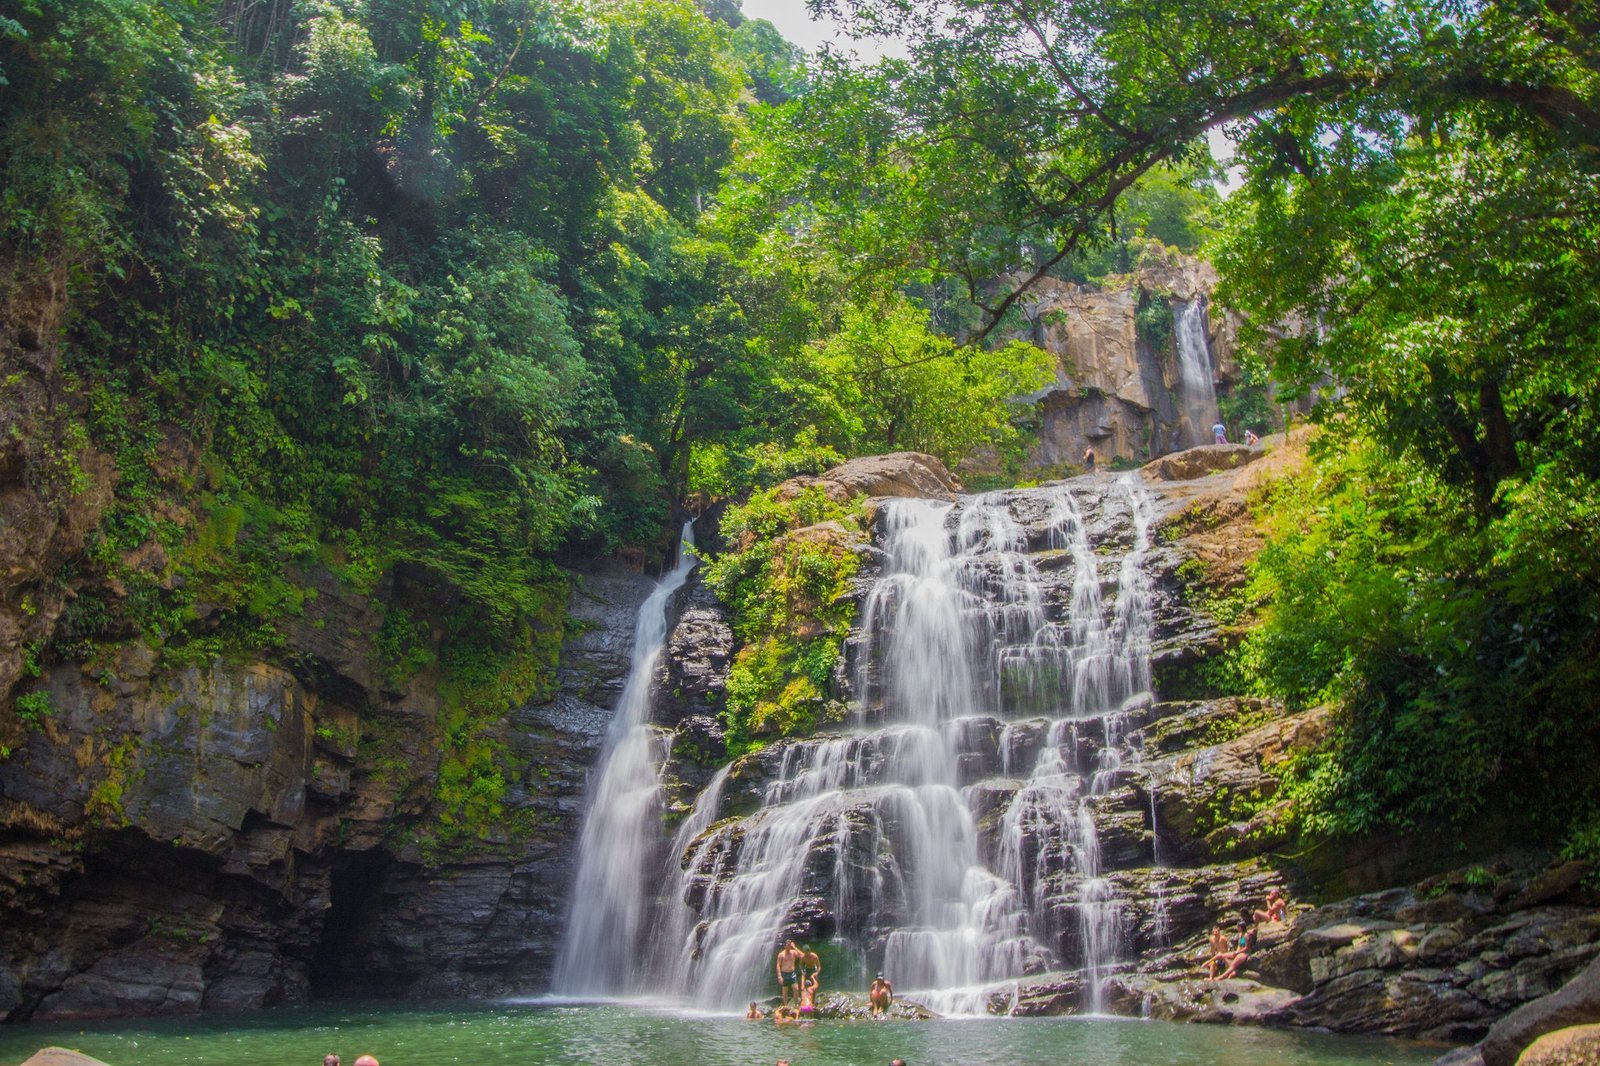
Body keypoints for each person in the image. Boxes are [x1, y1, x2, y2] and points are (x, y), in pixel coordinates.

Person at [776, 940, 804, 1006]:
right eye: (787, 945)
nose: (789, 946)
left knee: (796, 988)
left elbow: (802, 956)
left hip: (792, 973)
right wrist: (779, 976)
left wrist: (795, 947)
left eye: (790, 945)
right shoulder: (781, 954)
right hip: (784, 973)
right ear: (785, 945)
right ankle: (786, 1006)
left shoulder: (793, 952)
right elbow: (778, 965)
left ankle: (796, 1005)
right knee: (785, 990)